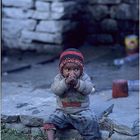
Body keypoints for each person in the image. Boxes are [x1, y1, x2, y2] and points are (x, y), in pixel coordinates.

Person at [43, 48, 101, 140]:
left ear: (81, 69)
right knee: (49, 121)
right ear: (62, 69)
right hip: (63, 111)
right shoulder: (59, 78)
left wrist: (77, 83)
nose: (72, 73)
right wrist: (65, 83)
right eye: (68, 69)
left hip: (81, 110)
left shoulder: (84, 77)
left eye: (76, 69)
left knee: (91, 121)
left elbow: (88, 89)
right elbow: (56, 90)